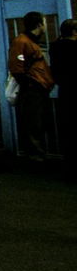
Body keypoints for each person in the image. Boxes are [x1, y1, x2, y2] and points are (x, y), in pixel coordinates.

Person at [9, 11, 54, 161]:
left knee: (39, 122)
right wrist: (29, 83)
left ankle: (38, 154)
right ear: (39, 24)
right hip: (33, 88)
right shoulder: (22, 42)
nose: (46, 26)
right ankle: (36, 156)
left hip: (39, 87)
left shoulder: (30, 41)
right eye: (45, 22)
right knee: (33, 123)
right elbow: (17, 67)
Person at [51, 19, 76, 176]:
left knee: (68, 130)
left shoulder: (55, 47)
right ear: (74, 32)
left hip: (65, 92)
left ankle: (70, 166)